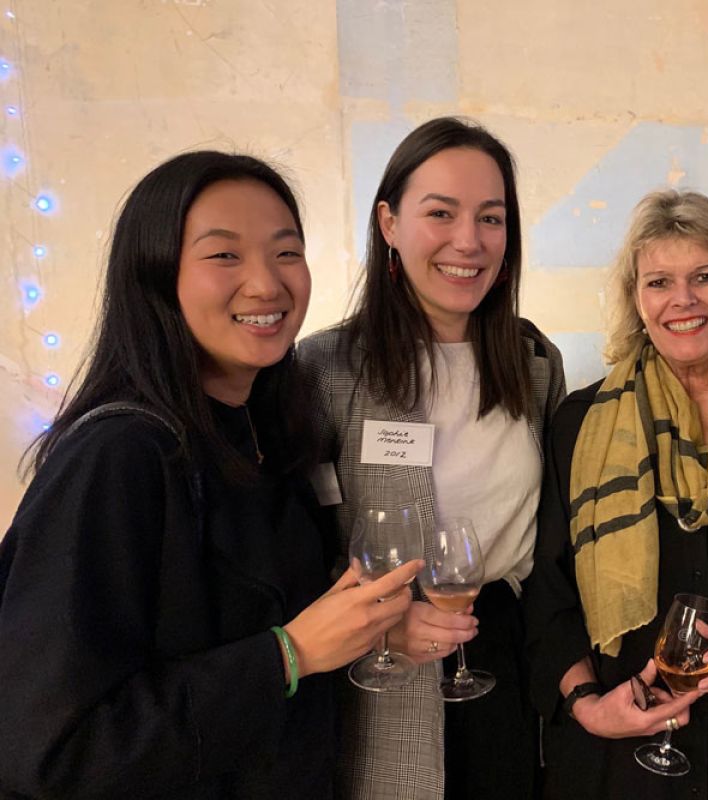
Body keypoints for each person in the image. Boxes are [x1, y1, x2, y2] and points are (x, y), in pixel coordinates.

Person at [0, 152, 419, 799]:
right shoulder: (119, 456)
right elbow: (52, 749)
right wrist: (289, 655)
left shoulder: (266, 432)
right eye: (224, 256)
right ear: (156, 276)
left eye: (286, 252)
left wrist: (368, 621)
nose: (265, 284)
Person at [525, 189, 708, 800]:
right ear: (637, 301)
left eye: (705, 277)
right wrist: (586, 705)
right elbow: (545, 589)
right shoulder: (580, 423)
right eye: (659, 281)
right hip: (614, 754)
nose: (682, 300)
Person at [297, 116, 565, 800]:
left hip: (504, 652)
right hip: (380, 664)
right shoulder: (324, 369)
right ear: (388, 222)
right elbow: (289, 543)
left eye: (491, 218)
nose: (468, 242)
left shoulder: (534, 364)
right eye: (440, 213)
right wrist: (381, 622)